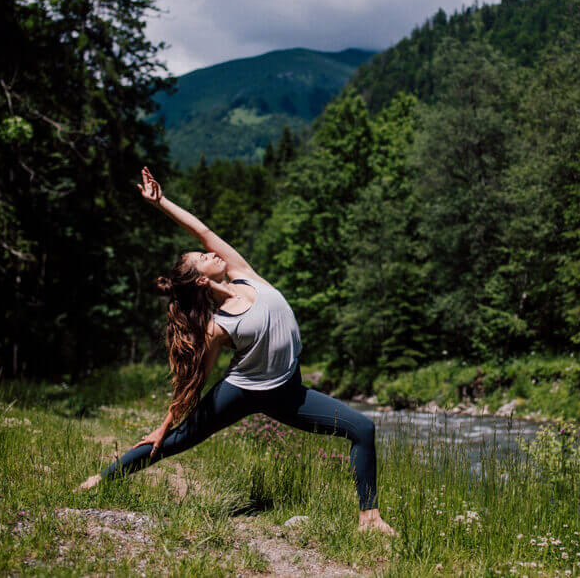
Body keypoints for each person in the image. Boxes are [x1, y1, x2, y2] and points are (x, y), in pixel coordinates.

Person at [78, 167, 398, 537]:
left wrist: (161, 202)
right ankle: (100, 480)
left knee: (363, 427)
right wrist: (164, 424)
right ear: (202, 280)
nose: (211, 252)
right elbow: (194, 380)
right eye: (203, 257)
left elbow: (203, 231)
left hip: (288, 392)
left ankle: (369, 520)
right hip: (243, 391)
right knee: (175, 441)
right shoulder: (217, 327)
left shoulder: (243, 274)